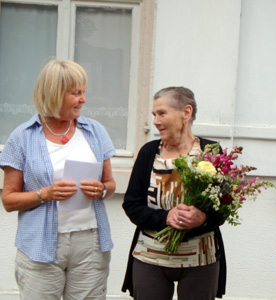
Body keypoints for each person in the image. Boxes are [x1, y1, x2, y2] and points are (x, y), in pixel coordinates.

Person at [0, 59, 116, 300]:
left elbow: (110, 184)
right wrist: (45, 194)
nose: (83, 99)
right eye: (76, 93)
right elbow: (9, 200)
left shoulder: (95, 131)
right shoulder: (22, 137)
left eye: (84, 92)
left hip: (90, 243)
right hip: (40, 247)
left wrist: (101, 189)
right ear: (54, 94)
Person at [121, 86, 226, 300]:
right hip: (150, 259)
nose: (156, 121)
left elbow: (223, 206)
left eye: (161, 113)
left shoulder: (210, 152)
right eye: (154, 115)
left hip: (200, 261)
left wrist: (203, 218)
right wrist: (165, 217)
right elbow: (132, 204)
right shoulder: (149, 153)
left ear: (186, 113)